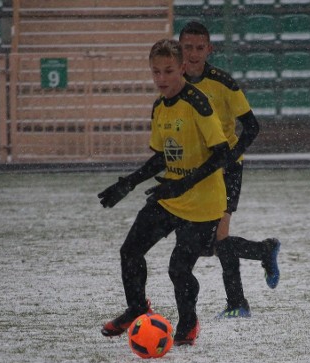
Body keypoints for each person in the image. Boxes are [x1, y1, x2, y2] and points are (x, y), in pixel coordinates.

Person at [97, 39, 229, 346]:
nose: (161, 78)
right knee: (130, 251)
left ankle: (188, 323)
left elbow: (222, 153)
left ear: (182, 68)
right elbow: (161, 157)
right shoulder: (159, 106)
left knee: (178, 269)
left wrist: (184, 183)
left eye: (168, 70)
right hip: (170, 196)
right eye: (156, 72)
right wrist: (128, 182)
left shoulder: (198, 103)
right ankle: (137, 309)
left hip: (205, 205)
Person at [179, 20, 280, 319]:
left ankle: (238, 303)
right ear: (179, 48)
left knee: (220, 239)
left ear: (209, 49)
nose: (194, 53)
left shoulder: (223, 83)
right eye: (188, 47)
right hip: (193, 172)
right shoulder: (175, 84)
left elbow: (252, 126)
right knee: (206, 245)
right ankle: (264, 250)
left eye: (200, 47)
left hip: (226, 170)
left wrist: (229, 156)